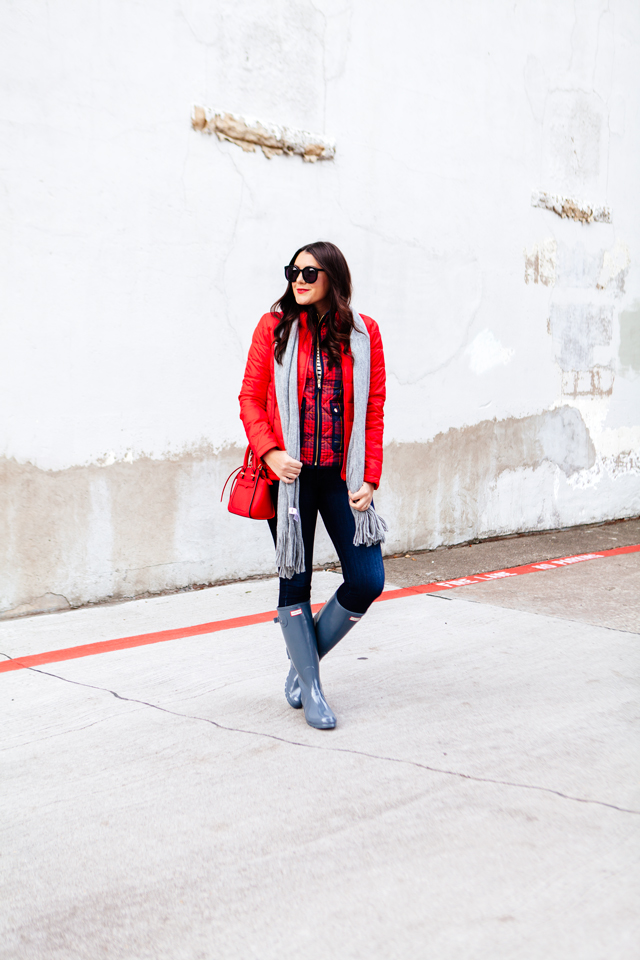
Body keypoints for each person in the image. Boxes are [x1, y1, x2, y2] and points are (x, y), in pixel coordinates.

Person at [239, 241, 387, 730]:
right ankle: (314, 691)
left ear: (333, 278)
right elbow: (250, 399)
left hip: (342, 479)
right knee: (295, 580)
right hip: (290, 479)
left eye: (309, 272)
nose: (298, 280)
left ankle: (303, 667)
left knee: (368, 579)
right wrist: (271, 452)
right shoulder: (274, 328)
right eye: (293, 271)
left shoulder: (365, 336)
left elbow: (373, 412)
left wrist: (369, 477)